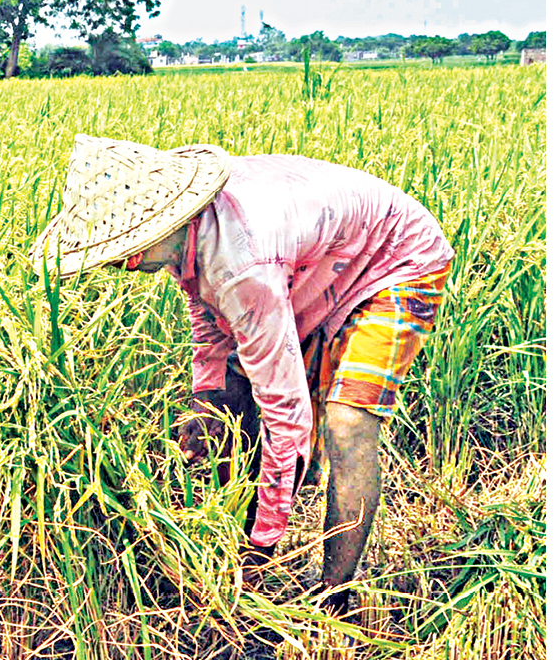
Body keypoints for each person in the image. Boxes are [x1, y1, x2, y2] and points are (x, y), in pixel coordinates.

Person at [33, 134, 453, 612]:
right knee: (230, 389)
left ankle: (332, 595)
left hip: (396, 259)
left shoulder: (243, 265)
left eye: (131, 248)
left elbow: (286, 414)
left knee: (346, 422)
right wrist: (205, 399)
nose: (125, 264)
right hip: (318, 263)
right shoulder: (184, 232)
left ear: (170, 217)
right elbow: (206, 310)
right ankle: (235, 532)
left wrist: (264, 545)